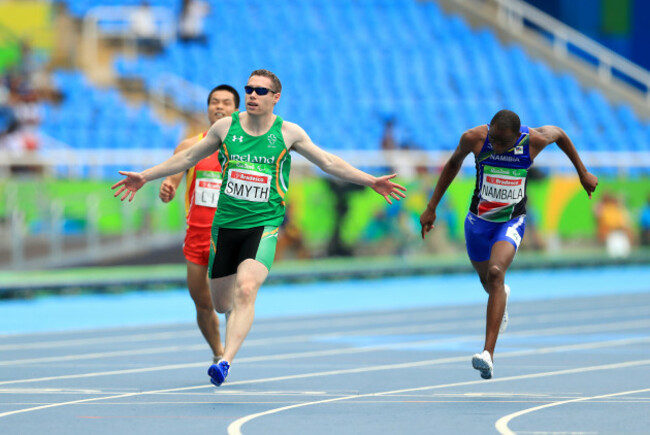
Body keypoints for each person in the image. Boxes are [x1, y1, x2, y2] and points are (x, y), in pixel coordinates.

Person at [112, 69, 407, 387]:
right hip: (224, 226)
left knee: (247, 289)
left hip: (263, 225)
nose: (252, 95)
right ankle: (225, 335)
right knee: (222, 303)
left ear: (275, 98)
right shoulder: (226, 128)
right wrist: (145, 176)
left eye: (260, 91)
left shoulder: (289, 133)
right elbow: (186, 158)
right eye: (249, 89)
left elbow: (328, 162)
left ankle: (225, 362)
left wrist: (371, 180)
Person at [419, 109, 598, 380]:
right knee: (488, 283)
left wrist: (582, 172)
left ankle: (487, 354)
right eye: (495, 139)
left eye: (504, 143)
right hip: (477, 222)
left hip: (510, 221)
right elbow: (453, 164)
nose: (498, 146)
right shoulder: (474, 138)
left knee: (495, 273)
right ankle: (500, 299)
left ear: (518, 135)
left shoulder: (534, 140)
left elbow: (560, 134)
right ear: (489, 128)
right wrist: (432, 207)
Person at [158, 84, 240, 365]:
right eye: (214, 102)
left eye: (226, 103)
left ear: (236, 110)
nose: (219, 107)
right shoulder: (189, 147)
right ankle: (218, 352)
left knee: (226, 298)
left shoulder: (244, 152)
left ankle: (230, 350)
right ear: (207, 109)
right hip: (197, 237)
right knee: (203, 304)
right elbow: (172, 180)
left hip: (230, 236)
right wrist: (167, 188)